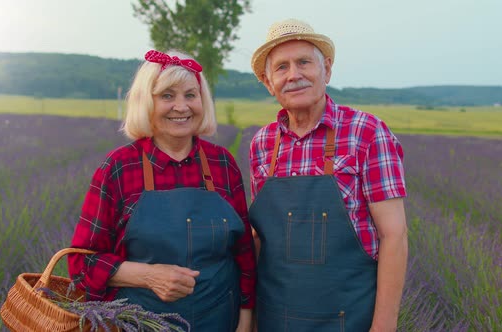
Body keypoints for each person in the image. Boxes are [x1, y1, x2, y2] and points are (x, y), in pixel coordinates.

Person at [68, 49, 256, 332]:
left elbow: (243, 253)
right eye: (167, 95)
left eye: (190, 95)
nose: (181, 107)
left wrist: (245, 317)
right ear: (147, 102)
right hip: (139, 324)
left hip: (220, 321)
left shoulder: (222, 164)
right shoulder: (119, 167)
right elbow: (82, 263)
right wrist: (147, 275)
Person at [248, 19, 408, 332]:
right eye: (282, 67)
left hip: (348, 319)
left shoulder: (366, 132)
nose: (294, 75)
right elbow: (259, 238)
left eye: (304, 62)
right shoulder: (262, 144)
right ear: (268, 82)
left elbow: (395, 235)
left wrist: (384, 326)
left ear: (327, 70)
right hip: (275, 319)